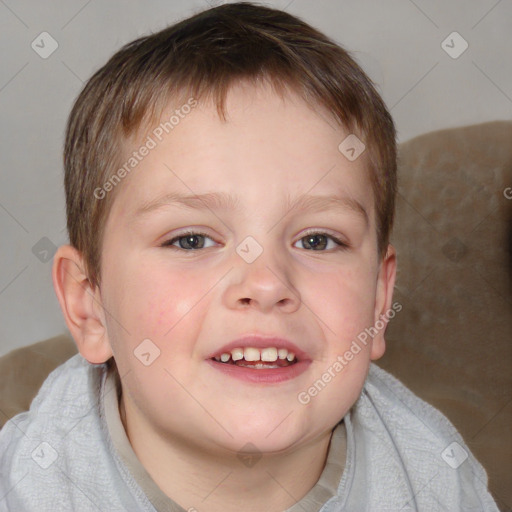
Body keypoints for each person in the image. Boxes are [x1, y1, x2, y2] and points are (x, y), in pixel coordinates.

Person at [0, 2, 499, 511]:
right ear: (88, 304)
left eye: (317, 240)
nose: (265, 282)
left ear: (377, 300)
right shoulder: (30, 487)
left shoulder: (434, 479)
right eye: (191, 240)